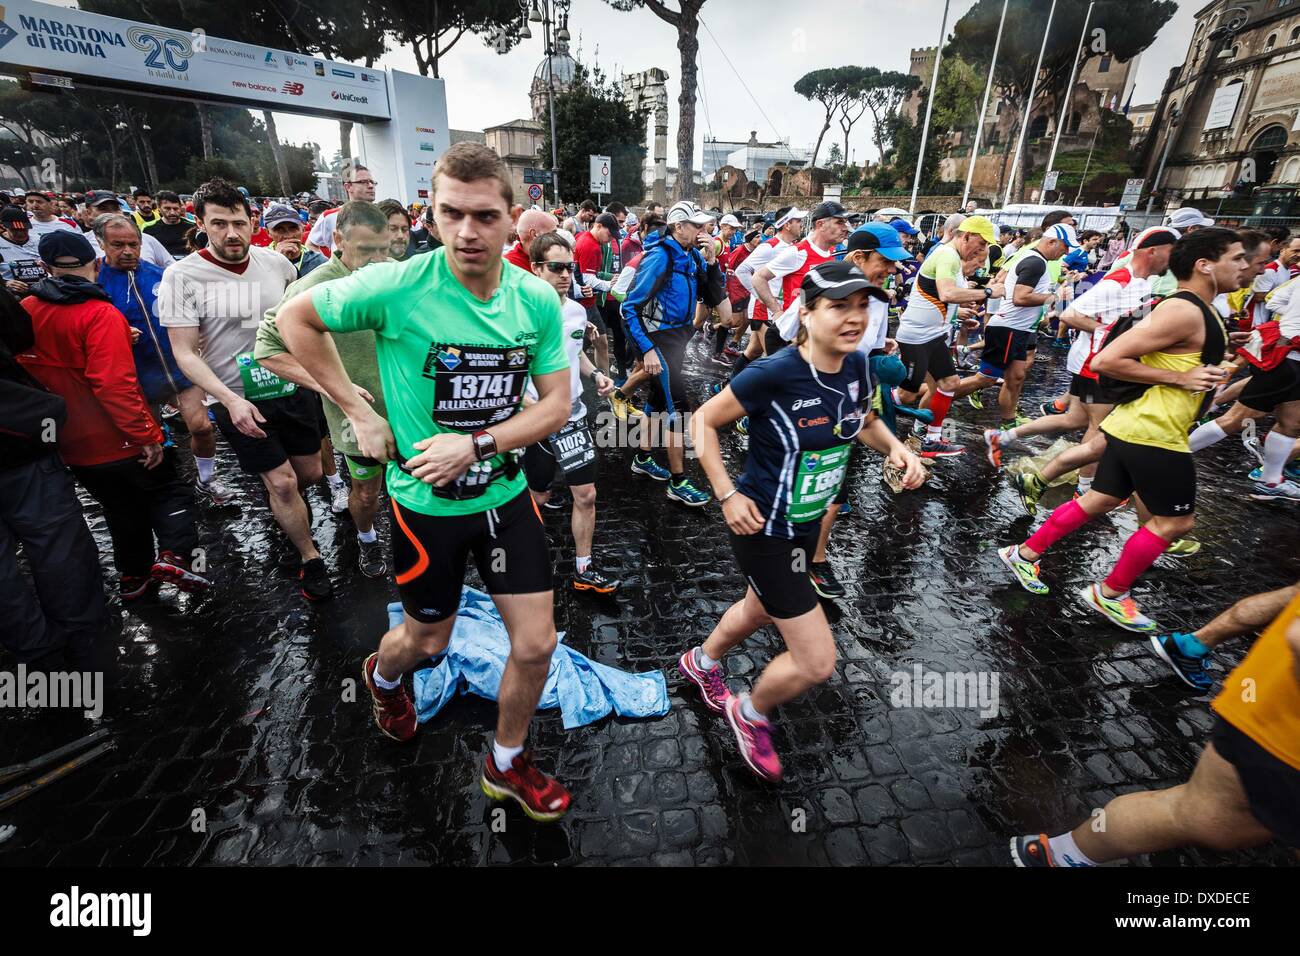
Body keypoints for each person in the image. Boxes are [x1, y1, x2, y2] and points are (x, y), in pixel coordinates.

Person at [274, 142, 576, 821]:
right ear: (430, 213)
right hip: (423, 506)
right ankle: (382, 679)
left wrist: (477, 445)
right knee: (426, 643)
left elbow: (554, 405)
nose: (467, 232)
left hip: (502, 498)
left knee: (536, 644)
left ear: (512, 217)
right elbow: (294, 321)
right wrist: (357, 410)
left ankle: (506, 763)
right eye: (450, 214)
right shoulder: (397, 285)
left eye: (485, 216)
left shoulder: (535, 299)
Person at [683, 261, 926, 781]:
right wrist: (726, 494)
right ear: (808, 312)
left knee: (759, 610)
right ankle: (749, 713)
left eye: (863, 305)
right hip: (762, 526)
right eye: (839, 305)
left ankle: (700, 664)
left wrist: (899, 448)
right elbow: (701, 420)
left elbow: (862, 421)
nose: (855, 317)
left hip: (805, 525)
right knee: (816, 662)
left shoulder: (859, 366)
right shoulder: (774, 373)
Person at [998, 228, 1246, 633]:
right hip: (1154, 431)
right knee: (1174, 523)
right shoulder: (1183, 308)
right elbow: (1108, 360)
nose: (1244, 266)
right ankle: (1111, 593)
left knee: (1098, 500)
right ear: (1205, 264)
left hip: (1140, 425)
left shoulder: (1201, 309)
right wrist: (1181, 380)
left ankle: (1023, 554)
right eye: (1236, 258)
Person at [1013, 591, 1300, 866]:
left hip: (1269, 696)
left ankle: (1057, 855)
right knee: (1203, 814)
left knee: (1208, 816)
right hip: (1282, 725)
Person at [159, 178, 332, 602]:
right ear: (200, 222)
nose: (231, 234)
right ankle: (310, 559)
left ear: (252, 221)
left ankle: (283, 506)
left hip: (291, 390)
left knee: (308, 475)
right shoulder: (181, 277)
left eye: (239, 223)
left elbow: (298, 322)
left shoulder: (277, 265)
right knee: (284, 483)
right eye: (219, 224)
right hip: (236, 400)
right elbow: (184, 352)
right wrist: (230, 399)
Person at [17, 231, 208, 599]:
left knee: (121, 509)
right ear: (97, 263)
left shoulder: (25, 310)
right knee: (171, 491)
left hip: (68, 441)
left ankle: (133, 577)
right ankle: (177, 556)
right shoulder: (100, 314)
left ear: (44, 268)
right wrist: (145, 435)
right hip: (116, 437)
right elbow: (114, 385)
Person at [254, 200, 394, 578]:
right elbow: (266, 350)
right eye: (365, 250)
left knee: (419, 483)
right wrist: (335, 388)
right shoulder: (313, 286)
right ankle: (366, 538)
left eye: (383, 249)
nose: (377, 260)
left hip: (406, 409)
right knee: (367, 493)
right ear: (338, 240)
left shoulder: (397, 275)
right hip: (356, 417)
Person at [0, 282, 110, 673]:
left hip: (18, 440)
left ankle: (38, 656)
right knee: (57, 545)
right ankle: (82, 646)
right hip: (16, 445)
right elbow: (17, 331)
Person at [94, 212, 230, 505]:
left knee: (203, 428)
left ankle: (206, 480)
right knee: (148, 442)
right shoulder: (96, 284)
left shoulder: (163, 276)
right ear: (101, 244)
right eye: (117, 245)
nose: (127, 251)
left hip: (179, 370)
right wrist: (115, 334)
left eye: (133, 244)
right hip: (138, 379)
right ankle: (161, 496)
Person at [523, 232, 621, 594]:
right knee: (538, 497)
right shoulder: (520, 313)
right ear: (536, 269)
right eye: (556, 268)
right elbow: (509, 371)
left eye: (570, 267)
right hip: (534, 423)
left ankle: (584, 568)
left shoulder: (578, 310)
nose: (565, 275)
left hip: (573, 416)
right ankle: (528, 561)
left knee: (587, 494)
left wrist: (597, 374)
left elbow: (574, 354)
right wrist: (528, 408)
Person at [622, 200, 718, 506]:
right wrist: (647, 349)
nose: (704, 230)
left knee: (657, 401)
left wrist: (713, 261)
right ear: (679, 227)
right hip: (659, 340)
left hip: (679, 337)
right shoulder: (660, 256)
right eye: (697, 225)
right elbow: (628, 307)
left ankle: (642, 458)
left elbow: (711, 291)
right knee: (679, 406)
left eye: (705, 225)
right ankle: (678, 482)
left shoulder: (691, 254)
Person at [894, 215, 1004, 457]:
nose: (982, 252)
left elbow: (938, 297)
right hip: (917, 336)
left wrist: (958, 315)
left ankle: (930, 438)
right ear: (966, 236)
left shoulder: (952, 257)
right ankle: (865, 411)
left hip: (933, 336)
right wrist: (988, 292)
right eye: (982, 244)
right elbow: (945, 293)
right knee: (907, 394)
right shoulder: (946, 254)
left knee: (949, 384)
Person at [960, 222, 1079, 432]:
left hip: (1020, 330)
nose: (1066, 253)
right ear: (1052, 242)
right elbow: (1020, 297)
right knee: (985, 379)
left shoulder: (1036, 259)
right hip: (1007, 328)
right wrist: (1055, 296)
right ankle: (931, 396)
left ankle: (1009, 422)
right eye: (1065, 247)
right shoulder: (1035, 262)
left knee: (1016, 377)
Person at [83, 190, 174, 269]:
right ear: (88, 212)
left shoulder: (147, 239)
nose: (111, 214)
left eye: (115, 209)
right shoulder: (81, 243)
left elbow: (173, 268)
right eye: (103, 209)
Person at [307, 165, 377, 256]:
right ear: (348, 186)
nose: (371, 186)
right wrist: (329, 266)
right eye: (363, 182)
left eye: (372, 182)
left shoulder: (382, 214)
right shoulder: (330, 217)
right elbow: (311, 244)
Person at [265, 202, 326, 277]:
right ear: (268, 232)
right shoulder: (259, 259)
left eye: (293, 228)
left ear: (303, 229)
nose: (288, 236)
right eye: (279, 229)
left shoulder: (319, 262)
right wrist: (277, 260)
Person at [0, 205, 45, 297]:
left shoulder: (40, 241)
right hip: (13, 294)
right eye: (14, 230)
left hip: (43, 290)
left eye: (24, 229)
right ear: (4, 227)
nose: (20, 233)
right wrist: (6, 283)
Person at [143, 191, 194, 260]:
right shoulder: (148, 229)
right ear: (159, 208)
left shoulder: (192, 226)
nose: (172, 212)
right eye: (167, 208)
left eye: (175, 209)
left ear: (180, 207)